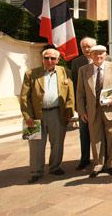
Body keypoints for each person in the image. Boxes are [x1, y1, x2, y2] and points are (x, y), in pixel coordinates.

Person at [19, 48, 74, 183]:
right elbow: (24, 97)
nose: (50, 61)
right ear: (42, 59)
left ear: (58, 60)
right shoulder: (31, 74)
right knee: (36, 144)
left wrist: (69, 111)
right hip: (36, 116)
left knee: (57, 142)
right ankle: (36, 171)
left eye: (53, 58)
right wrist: (27, 116)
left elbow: (70, 94)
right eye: (47, 58)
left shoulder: (65, 73)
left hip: (57, 113)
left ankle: (55, 167)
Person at [76, 45, 112, 178]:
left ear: (105, 55)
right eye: (95, 54)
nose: (98, 56)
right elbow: (80, 92)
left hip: (111, 108)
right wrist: (81, 111)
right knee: (96, 138)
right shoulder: (83, 70)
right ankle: (98, 164)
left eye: (101, 53)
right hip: (93, 110)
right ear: (90, 56)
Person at [71, 37, 111, 170]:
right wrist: (79, 107)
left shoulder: (108, 60)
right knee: (84, 133)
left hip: (104, 105)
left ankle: (106, 157)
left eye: (89, 47)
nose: (87, 50)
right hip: (87, 107)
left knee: (104, 133)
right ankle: (84, 158)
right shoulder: (77, 63)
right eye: (84, 47)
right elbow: (76, 86)